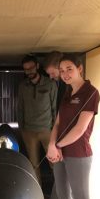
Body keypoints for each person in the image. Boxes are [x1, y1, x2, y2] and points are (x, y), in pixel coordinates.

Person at [46, 54, 100, 199]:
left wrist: (57, 146)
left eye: (69, 69)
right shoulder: (67, 91)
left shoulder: (91, 93)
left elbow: (80, 129)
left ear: (80, 69)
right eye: (62, 70)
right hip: (60, 152)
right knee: (62, 195)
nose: (65, 74)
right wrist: (53, 145)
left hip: (78, 153)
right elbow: (58, 123)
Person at [43, 51, 81, 199]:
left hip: (72, 142)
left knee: (70, 179)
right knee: (61, 173)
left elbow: (77, 124)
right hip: (63, 137)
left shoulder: (76, 89)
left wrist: (58, 143)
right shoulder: (65, 88)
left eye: (53, 73)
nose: (53, 77)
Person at [17, 54, 57, 187]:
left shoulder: (50, 84)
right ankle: (38, 193)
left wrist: (54, 129)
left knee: (54, 162)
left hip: (47, 130)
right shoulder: (22, 86)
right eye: (26, 69)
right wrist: (22, 129)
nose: (29, 71)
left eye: (31, 68)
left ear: (37, 67)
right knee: (33, 165)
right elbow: (20, 108)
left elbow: (54, 107)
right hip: (29, 132)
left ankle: (58, 194)